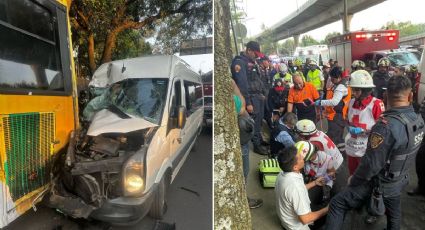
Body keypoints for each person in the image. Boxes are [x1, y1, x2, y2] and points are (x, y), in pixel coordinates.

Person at [325, 75, 425, 230]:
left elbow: (372, 165)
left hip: (382, 181)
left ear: (385, 96)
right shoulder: (417, 121)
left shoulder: (385, 126)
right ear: (411, 95)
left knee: (337, 203)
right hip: (400, 178)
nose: (356, 93)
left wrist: (354, 180)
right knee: (394, 213)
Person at [275, 145, 329, 230]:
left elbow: (297, 191)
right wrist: (327, 209)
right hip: (297, 227)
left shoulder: (283, 173)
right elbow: (306, 219)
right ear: (295, 167)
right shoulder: (295, 187)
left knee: (318, 188)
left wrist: (314, 182)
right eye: (300, 157)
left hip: (287, 219)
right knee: (331, 213)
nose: (303, 157)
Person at [231, 41, 268, 155]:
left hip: (258, 96)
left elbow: (257, 80)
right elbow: (242, 85)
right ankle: (257, 145)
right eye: (255, 53)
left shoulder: (252, 62)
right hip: (251, 98)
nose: (257, 56)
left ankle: (260, 140)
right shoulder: (240, 63)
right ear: (249, 50)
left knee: (259, 120)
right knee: (255, 122)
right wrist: (247, 102)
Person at [345, 70, 385, 175]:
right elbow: (348, 121)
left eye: (356, 90)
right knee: (352, 175)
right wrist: (349, 127)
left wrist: (364, 131)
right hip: (352, 148)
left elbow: (383, 129)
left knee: (365, 177)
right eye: (352, 89)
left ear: (366, 90)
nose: (353, 93)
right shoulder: (351, 102)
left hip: (367, 151)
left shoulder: (376, 104)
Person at [232, 80, 264, 209]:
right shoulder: (232, 99)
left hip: (240, 139)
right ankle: (242, 200)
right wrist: (234, 85)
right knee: (243, 172)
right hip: (241, 141)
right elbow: (242, 106)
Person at [315, 67, 351, 153]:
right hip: (337, 115)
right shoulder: (342, 84)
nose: (331, 79)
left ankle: (340, 154)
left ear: (338, 77)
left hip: (337, 117)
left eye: (332, 77)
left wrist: (321, 102)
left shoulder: (340, 87)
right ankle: (339, 152)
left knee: (336, 137)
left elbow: (334, 102)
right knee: (335, 135)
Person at [298, 141, 338, 205]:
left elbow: (333, 174)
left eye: (310, 156)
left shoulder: (326, 159)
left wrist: (325, 178)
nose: (309, 159)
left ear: (315, 152)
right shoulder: (305, 161)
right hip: (312, 181)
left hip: (324, 182)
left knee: (324, 196)